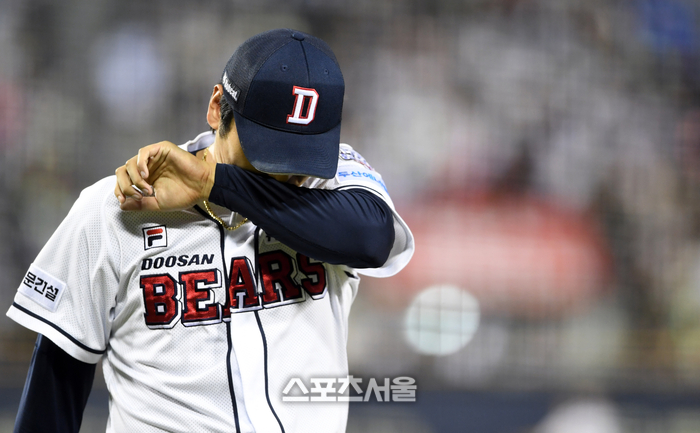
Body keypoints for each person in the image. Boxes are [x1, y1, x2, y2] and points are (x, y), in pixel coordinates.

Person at [7, 28, 414, 433]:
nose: (287, 173)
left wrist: (214, 183)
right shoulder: (116, 208)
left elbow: (374, 239)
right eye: (268, 154)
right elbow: (54, 386)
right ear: (218, 107)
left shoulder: (335, 183)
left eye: (303, 156)